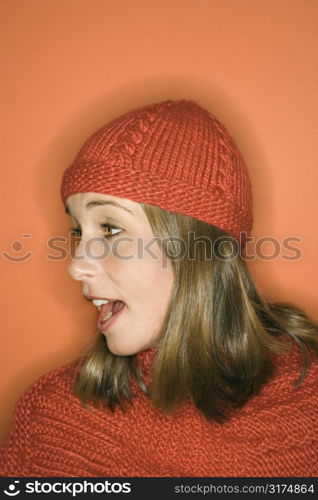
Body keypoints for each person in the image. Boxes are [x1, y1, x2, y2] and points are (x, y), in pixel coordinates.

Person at [1, 99, 317, 477]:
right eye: (77, 232)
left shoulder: (307, 408)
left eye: (111, 229)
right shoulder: (54, 421)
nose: (75, 266)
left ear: (199, 250)